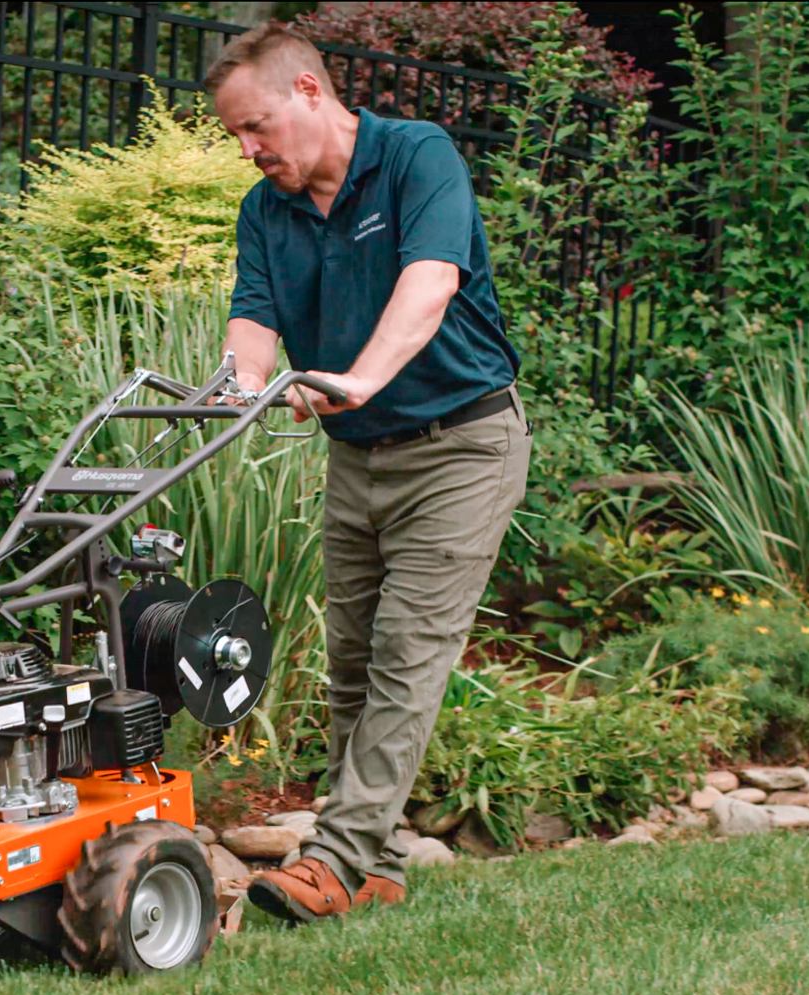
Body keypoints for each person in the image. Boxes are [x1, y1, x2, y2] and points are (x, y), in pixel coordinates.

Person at [206, 23, 533, 923]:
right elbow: (253, 314)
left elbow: (427, 285)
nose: (248, 149)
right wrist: (238, 387)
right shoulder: (265, 209)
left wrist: (357, 378)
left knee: (405, 655)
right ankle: (377, 860)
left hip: (462, 444)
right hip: (359, 456)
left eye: (256, 126)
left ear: (309, 92)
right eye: (234, 135)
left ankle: (334, 857)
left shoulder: (413, 157)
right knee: (349, 661)